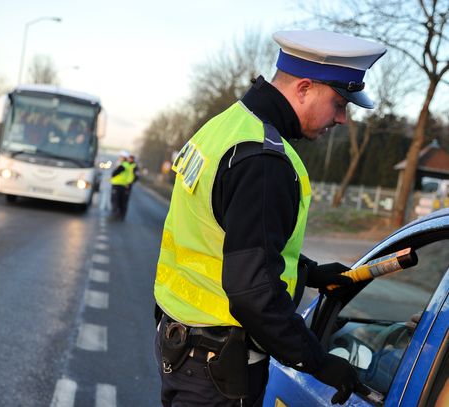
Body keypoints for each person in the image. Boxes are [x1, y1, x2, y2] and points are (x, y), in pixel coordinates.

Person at [153, 29, 386, 406]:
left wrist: (307, 271)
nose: (342, 119)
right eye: (340, 103)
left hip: (184, 349)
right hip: (220, 368)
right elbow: (252, 293)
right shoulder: (265, 161)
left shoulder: (226, 126)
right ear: (305, 88)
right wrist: (317, 361)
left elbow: (221, 233)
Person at [110, 151, 133, 220]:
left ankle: (116, 214)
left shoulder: (123, 165)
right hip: (124, 186)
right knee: (122, 202)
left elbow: (114, 173)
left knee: (115, 200)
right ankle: (121, 215)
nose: (119, 158)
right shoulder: (128, 165)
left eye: (121, 157)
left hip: (118, 185)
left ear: (124, 158)